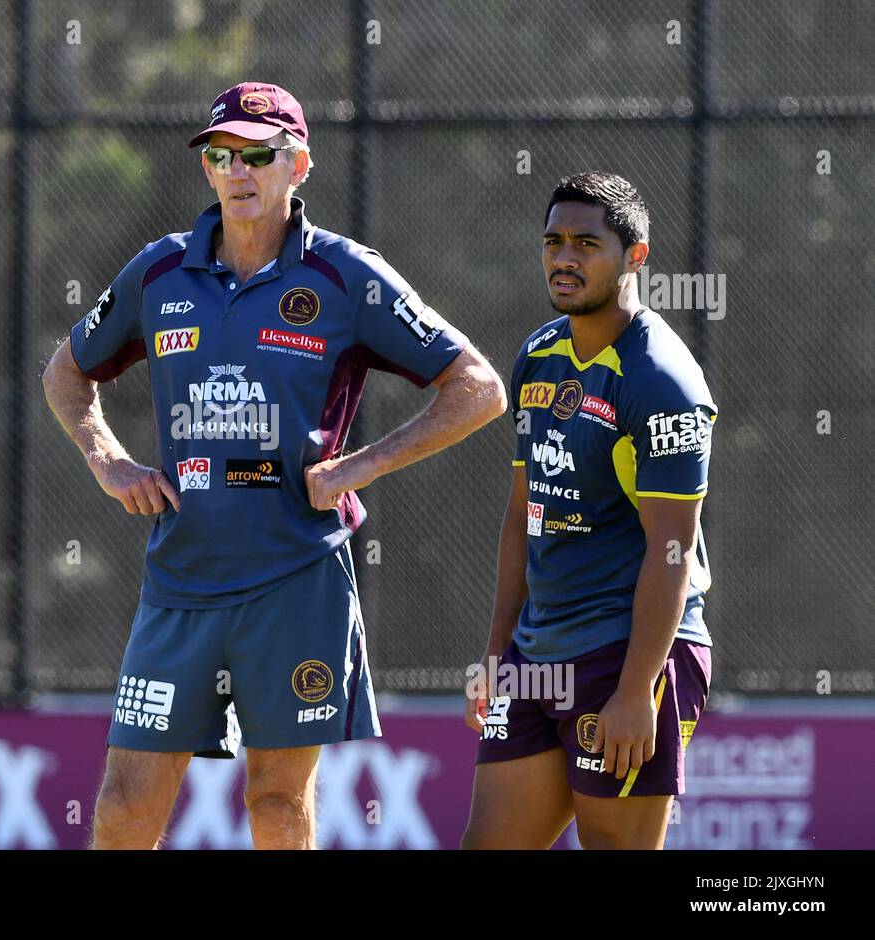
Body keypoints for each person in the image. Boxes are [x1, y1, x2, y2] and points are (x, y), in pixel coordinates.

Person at [43, 82, 506, 849]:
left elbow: (479, 389)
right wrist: (107, 459)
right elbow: (66, 370)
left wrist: (358, 467)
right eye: (222, 156)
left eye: (258, 155)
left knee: (278, 804)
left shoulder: (344, 275)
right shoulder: (160, 273)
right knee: (124, 806)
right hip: (179, 585)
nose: (238, 171)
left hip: (297, 580)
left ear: (299, 166)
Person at [462, 171, 716, 849]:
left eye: (586, 243)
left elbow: (674, 550)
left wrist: (638, 691)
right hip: (536, 656)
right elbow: (524, 515)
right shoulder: (538, 356)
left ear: (636, 256)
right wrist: (496, 655)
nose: (564, 258)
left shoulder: (663, 381)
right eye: (553, 242)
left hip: (627, 657)